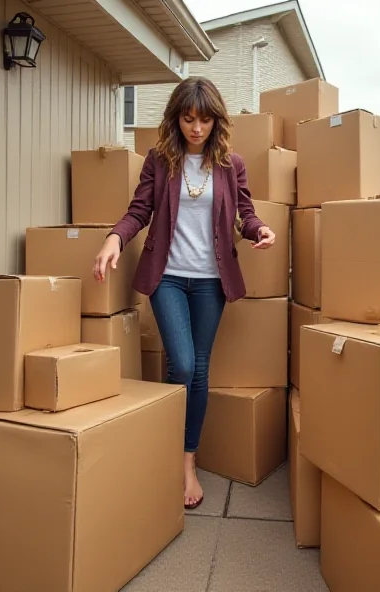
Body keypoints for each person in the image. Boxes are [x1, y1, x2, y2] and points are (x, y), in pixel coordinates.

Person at [92, 77, 276, 510]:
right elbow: (140, 209)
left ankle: (186, 459)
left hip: (211, 281)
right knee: (182, 363)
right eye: (189, 118)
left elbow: (244, 213)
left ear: (216, 121)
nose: (197, 128)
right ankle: (170, 451)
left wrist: (259, 230)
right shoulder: (160, 161)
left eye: (205, 119)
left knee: (199, 369)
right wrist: (113, 240)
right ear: (176, 118)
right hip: (169, 277)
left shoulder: (231, 164)